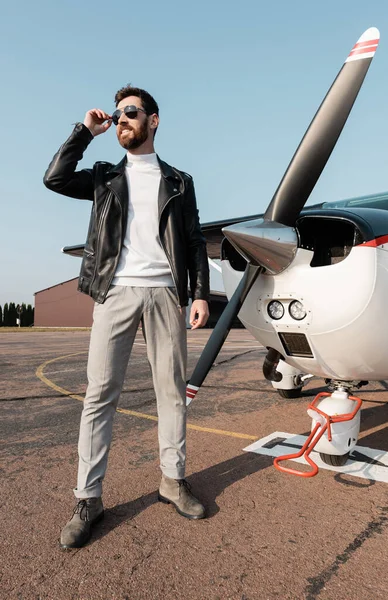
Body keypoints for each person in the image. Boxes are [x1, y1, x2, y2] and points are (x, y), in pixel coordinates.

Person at [44, 86, 210, 549]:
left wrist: (199, 295)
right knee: (99, 394)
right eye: (117, 114)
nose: (122, 120)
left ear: (152, 121)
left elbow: (194, 240)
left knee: (171, 392)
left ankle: (173, 481)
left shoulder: (179, 181)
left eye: (131, 112)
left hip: (164, 293)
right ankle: (88, 499)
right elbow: (54, 178)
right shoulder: (103, 177)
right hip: (114, 292)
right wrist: (84, 132)